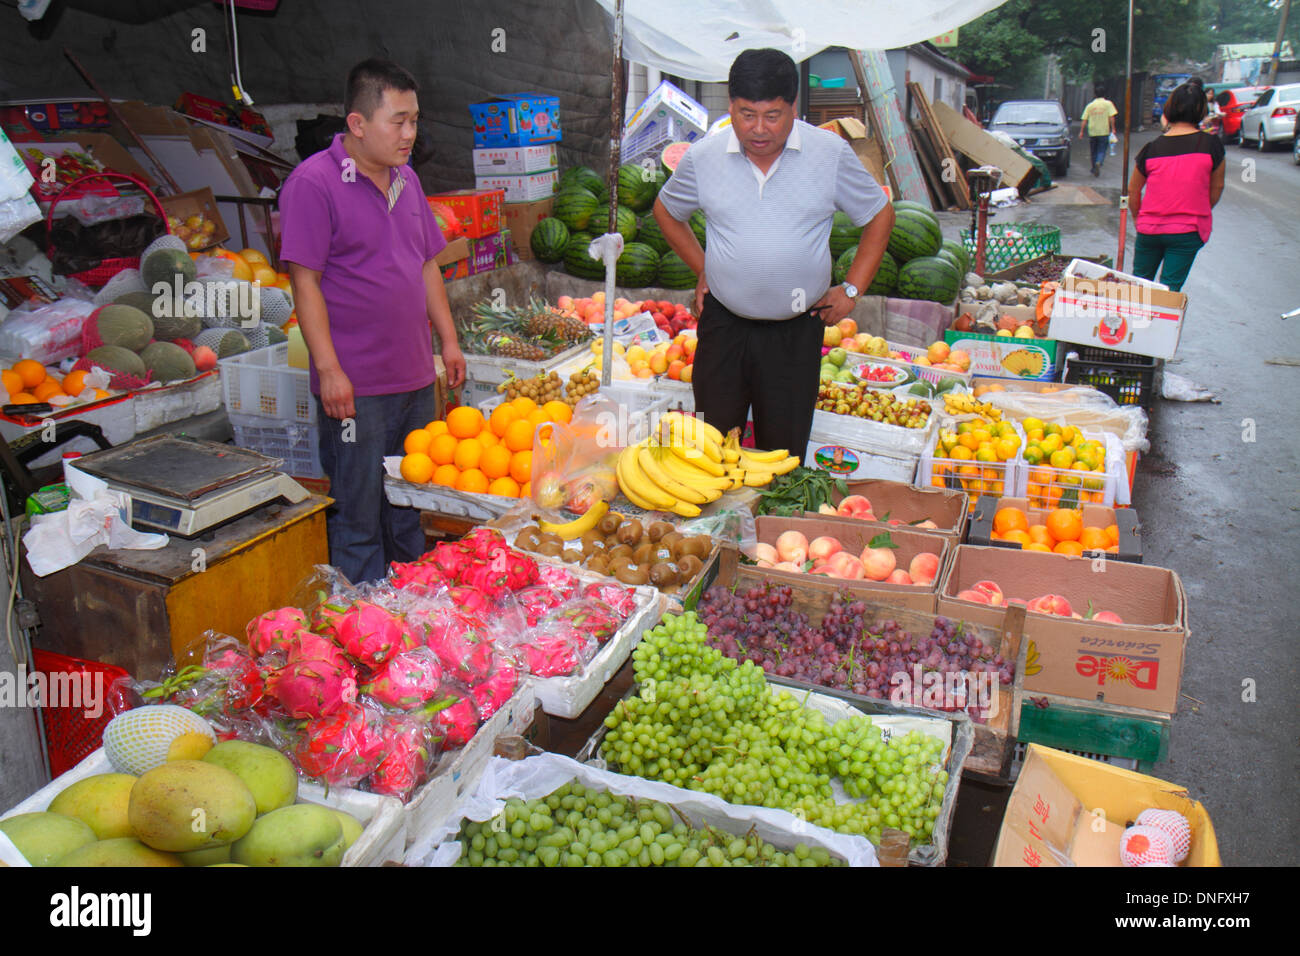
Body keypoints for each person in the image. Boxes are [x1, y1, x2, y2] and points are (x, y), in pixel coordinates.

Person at [279, 58, 466, 584]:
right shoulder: (313, 184)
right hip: (357, 389)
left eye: (415, 120)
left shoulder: (407, 180)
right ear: (357, 124)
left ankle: (413, 614)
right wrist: (330, 369)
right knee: (357, 516)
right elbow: (305, 282)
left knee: (407, 509)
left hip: (412, 381)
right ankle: (363, 629)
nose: (411, 133)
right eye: (399, 121)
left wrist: (448, 343)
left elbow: (426, 262)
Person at [652, 48, 893, 455]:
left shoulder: (828, 154)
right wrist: (704, 267)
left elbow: (880, 215)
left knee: (783, 453)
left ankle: (776, 521)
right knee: (712, 447)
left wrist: (851, 290)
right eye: (747, 115)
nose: (758, 129)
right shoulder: (704, 157)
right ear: (731, 107)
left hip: (795, 332)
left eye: (772, 115)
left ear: (793, 108)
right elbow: (667, 211)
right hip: (724, 328)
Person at [1127, 78, 1225, 293]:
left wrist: (1138, 217)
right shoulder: (1211, 145)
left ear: (1169, 109)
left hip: (1149, 230)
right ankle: (1159, 325)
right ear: (1201, 110)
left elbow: (1134, 190)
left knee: (1138, 289)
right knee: (1169, 292)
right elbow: (1216, 188)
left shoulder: (1151, 148)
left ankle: (1135, 326)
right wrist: (1198, 210)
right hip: (1188, 230)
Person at [1078, 84, 1118, 176]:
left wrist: (1081, 131)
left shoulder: (1090, 105)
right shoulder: (1108, 104)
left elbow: (1084, 120)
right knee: (1102, 149)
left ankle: (1093, 168)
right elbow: (1111, 117)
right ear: (1104, 94)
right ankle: (1099, 162)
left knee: (1093, 151)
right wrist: (1113, 128)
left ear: (1095, 94)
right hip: (1104, 131)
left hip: (1092, 132)